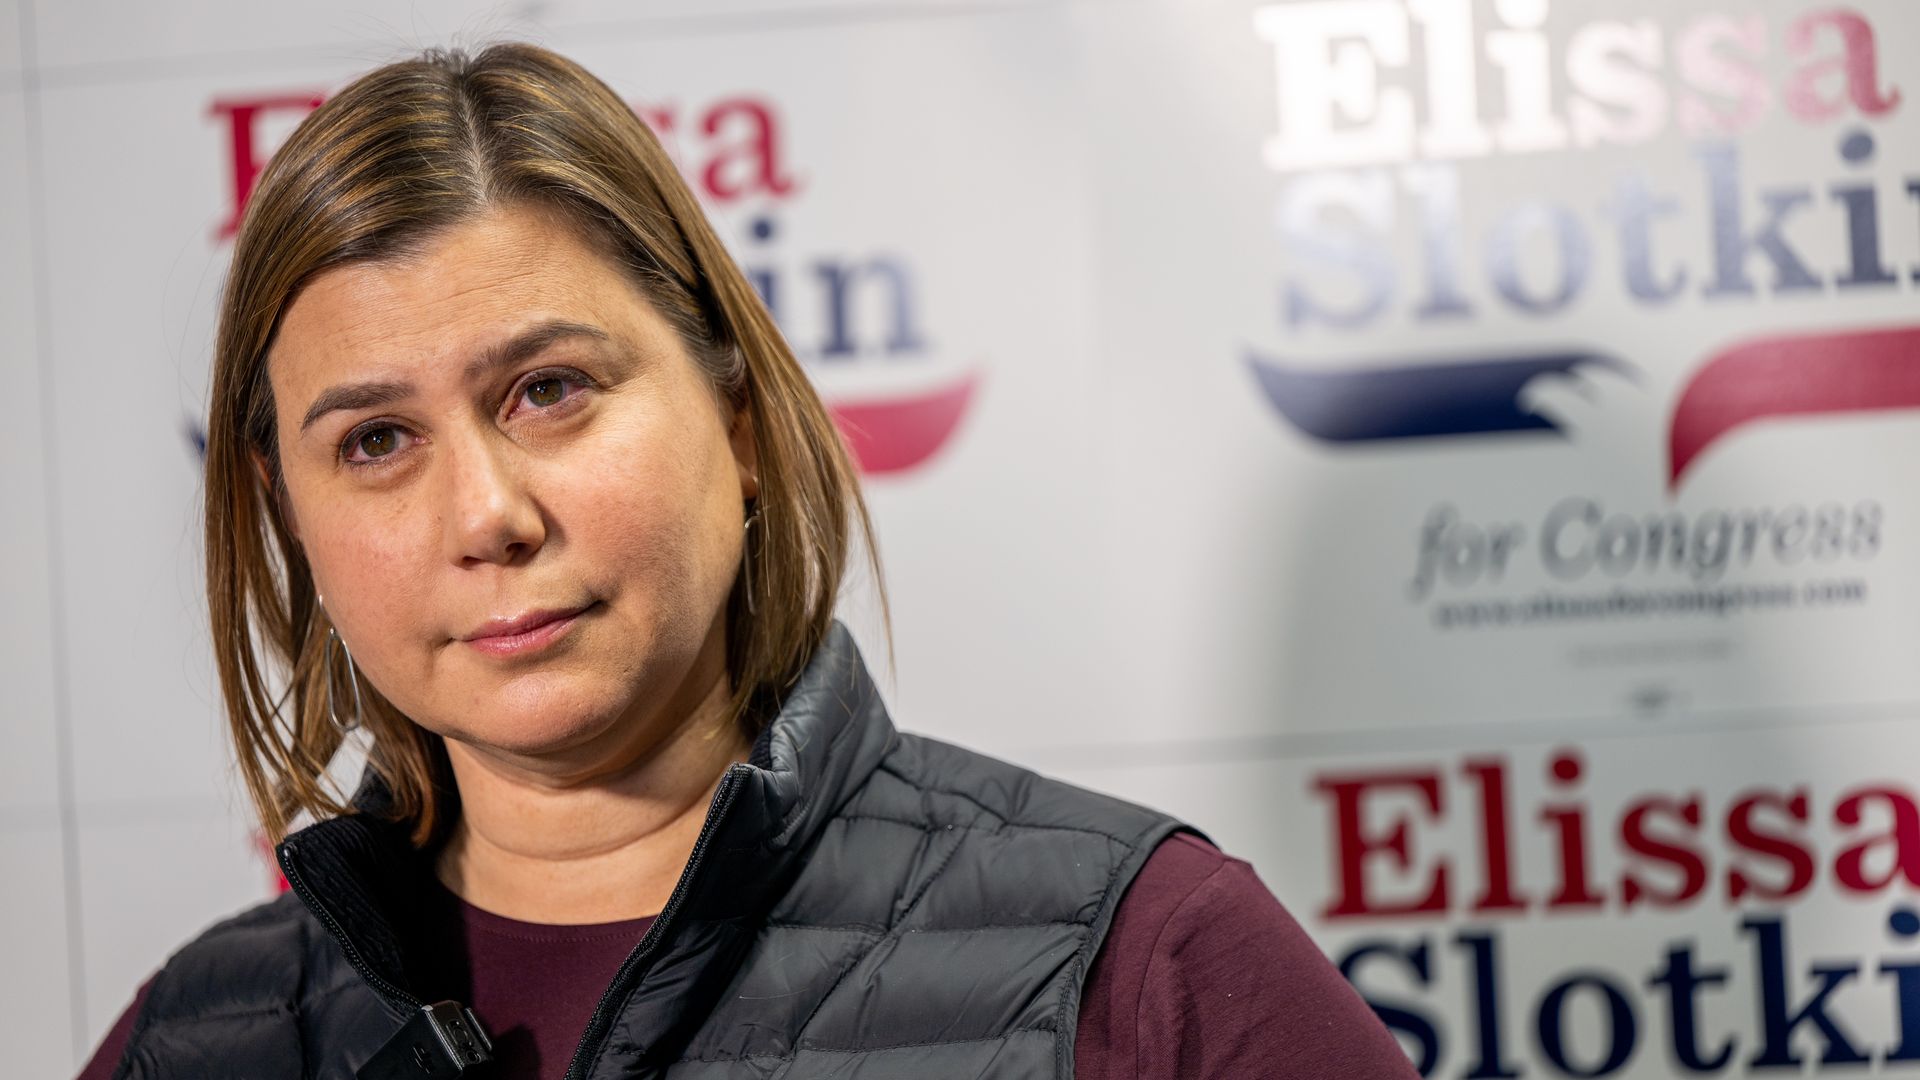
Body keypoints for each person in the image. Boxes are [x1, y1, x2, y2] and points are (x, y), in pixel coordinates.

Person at [77, 42, 1418, 1080]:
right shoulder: (198, 1039)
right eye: (375, 440)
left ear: (739, 419)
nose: (486, 513)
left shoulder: (1139, 957)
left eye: (548, 389)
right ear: (288, 513)